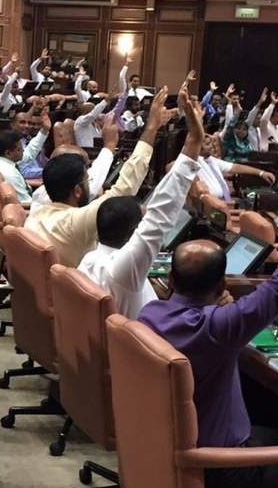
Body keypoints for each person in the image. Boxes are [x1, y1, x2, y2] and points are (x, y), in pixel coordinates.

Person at [137, 139, 278, 488]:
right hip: (224, 471)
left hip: (171, 455)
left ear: (170, 280)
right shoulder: (219, 327)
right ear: (221, 286)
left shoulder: (149, 315)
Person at [79, 88, 204, 319]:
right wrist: (194, 142)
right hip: (145, 338)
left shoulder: (90, 259)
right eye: (142, 221)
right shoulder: (123, 269)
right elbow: (160, 213)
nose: (147, 220)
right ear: (133, 235)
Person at [25, 86, 169, 268]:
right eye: (87, 180)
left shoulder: (37, 211)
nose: (89, 184)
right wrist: (152, 127)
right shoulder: (73, 223)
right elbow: (124, 190)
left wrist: (108, 148)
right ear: (77, 191)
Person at [0, 110, 52, 203]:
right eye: (19, 149)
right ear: (8, 153)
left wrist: (44, 130)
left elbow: (30, 152)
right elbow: (25, 203)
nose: (23, 151)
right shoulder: (10, 174)